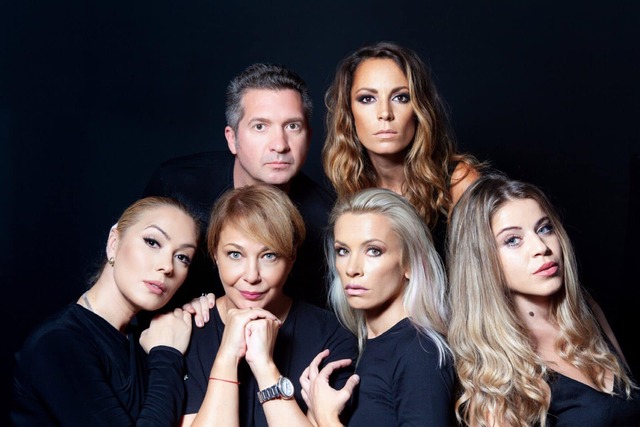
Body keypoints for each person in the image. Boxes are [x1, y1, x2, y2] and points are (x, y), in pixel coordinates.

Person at [447, 173, 640, 426]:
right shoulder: (497, 377)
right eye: (512, 240)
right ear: (480, 262)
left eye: (544, 228)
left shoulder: (587, 311)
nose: (541, 247)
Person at [143, 63, 333, 309]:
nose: (280, 144)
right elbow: (132, 274)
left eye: (292, 126)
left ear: (308, 137)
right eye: (260, 126)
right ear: (232, 139)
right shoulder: (176, 185)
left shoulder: (326, 221)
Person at [11, 196, 200, 426]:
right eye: (152, 242)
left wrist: (203, 309)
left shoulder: (143, 337)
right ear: (114, 242)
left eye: (182, 257)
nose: (167, 266)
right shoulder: (58, 343)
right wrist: (168, 355)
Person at [180, 184, 358, 427]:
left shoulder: (331, 337)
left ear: (291, 258)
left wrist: (265, 368)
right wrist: (227, 356)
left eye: (269, 256)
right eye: (235, 254)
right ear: (214, 254)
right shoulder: (185, 331)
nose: (251, 276)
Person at [300, 188, 455, 426]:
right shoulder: (358, 346)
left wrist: (327, 417)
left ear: (409, 263)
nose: (352, 268)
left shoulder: (420, 352)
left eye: (374, 251)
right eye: (343, 251)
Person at [322, 41, 485, 254]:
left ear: (419, 109)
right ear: (348, 112)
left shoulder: (458, 182)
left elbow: (477, 270)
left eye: (401, 97)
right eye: (367, 98)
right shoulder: (350, 185)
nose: (385, 113)